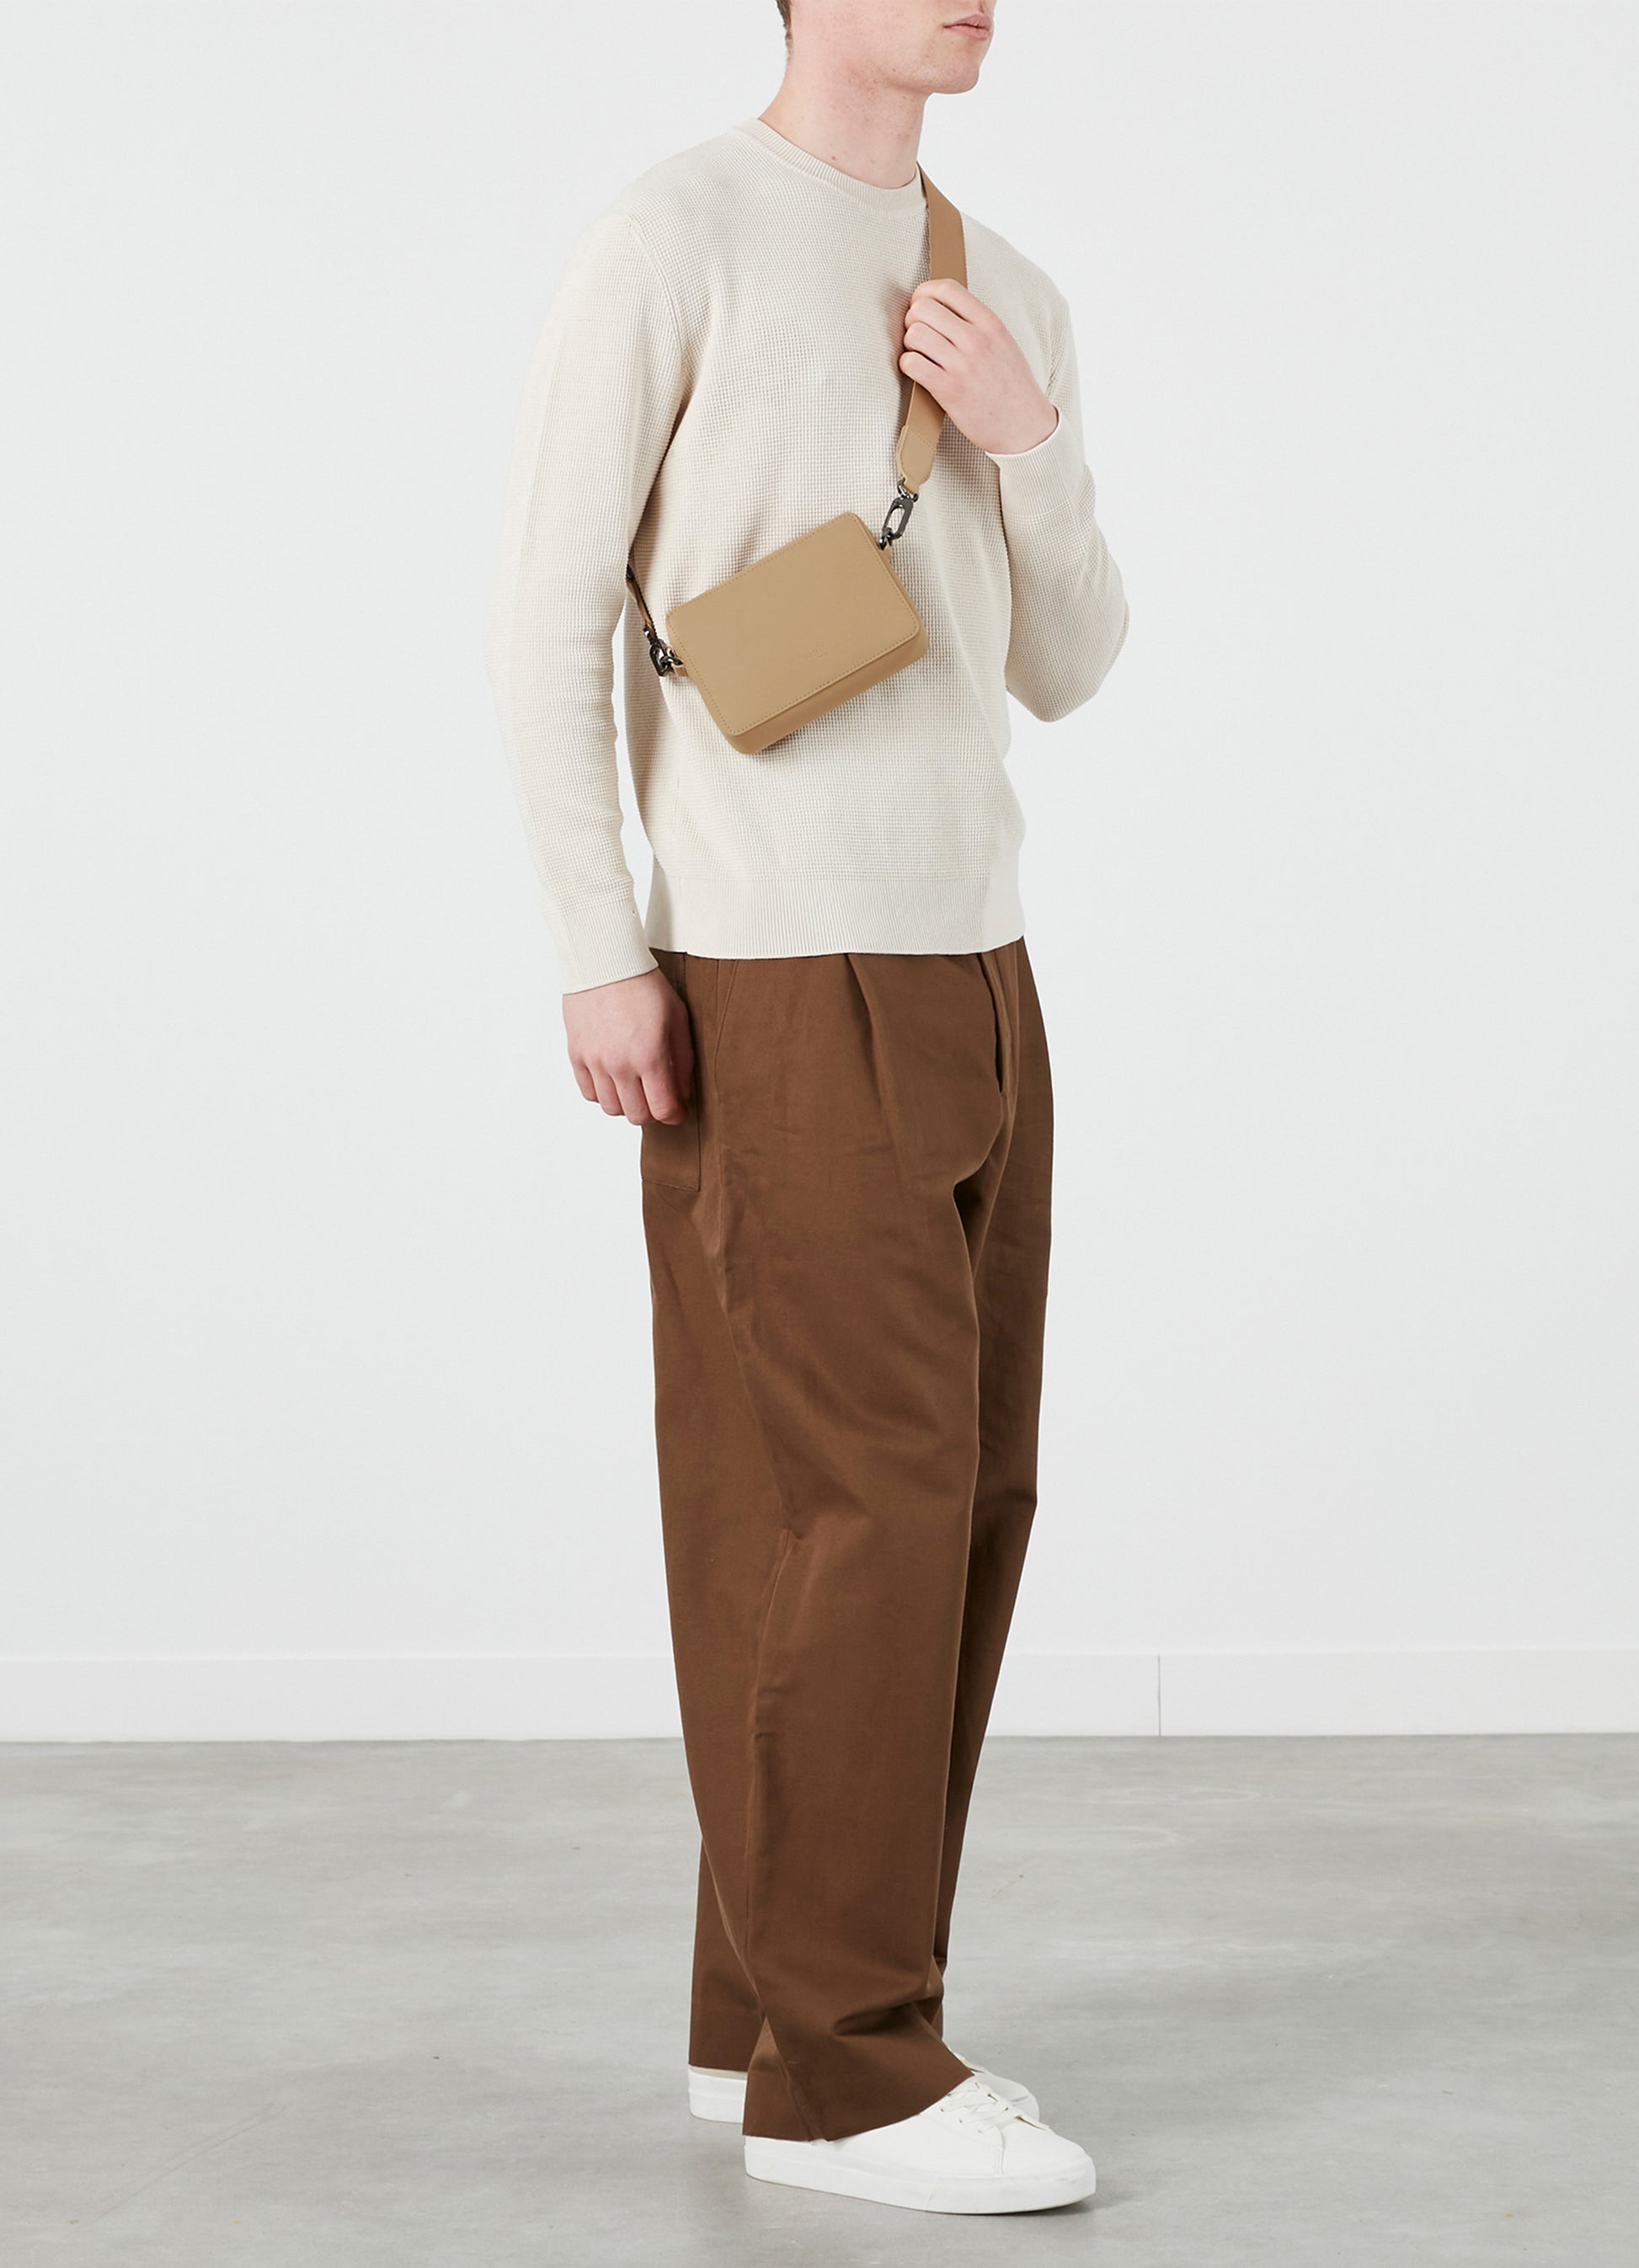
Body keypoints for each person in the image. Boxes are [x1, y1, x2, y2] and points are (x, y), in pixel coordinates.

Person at [485, 0, 1127, 2217]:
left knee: (955, 1499)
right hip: (771, 963)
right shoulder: (674, 233)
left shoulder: (999, 282)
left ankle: (757, 2022)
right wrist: (601, 940)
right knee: (852, 1507)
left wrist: (1026, 436)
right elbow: (545, 608)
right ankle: (856, 2076)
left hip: (980, 954)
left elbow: (1067, 661)